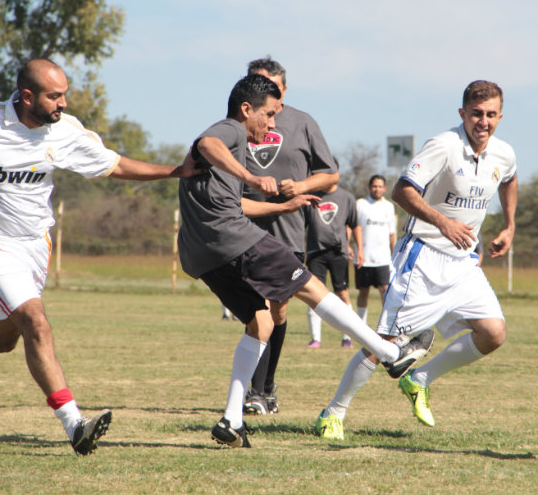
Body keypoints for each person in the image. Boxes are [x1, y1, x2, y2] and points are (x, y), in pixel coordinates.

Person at [0, 58, 202, 456]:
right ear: (27, 96)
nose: (62, 103)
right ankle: (74, 423)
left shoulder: (66, 131)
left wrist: (175, 171)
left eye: (64, 95)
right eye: (54, 96)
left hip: (35, 245)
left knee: (5, 339)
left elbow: (114, 164)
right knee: (36, 323)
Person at [177, 73, 435, 448]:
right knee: (311, 286)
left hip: (200, 254)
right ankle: (390, 352)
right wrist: (250, 174)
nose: (272, 123)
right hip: (232, 238)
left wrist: (283, 205)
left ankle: (232, 420)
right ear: (246, 109)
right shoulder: (231, 131)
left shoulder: (234, 148)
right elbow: (206, 143)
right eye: (267, 115)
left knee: (261, 322)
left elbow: (231, 202)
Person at [316, 80, 517, 440]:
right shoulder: (444, 145)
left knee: (494, 333)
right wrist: (443, 222)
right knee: (383, 345)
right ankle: (333, 413)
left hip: (464, 262)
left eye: (490, 115)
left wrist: (510, 225)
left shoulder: (504, 154)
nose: (483, 122)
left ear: (500, 116)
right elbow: (401, 191)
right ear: (462, 114)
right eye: (476, 114)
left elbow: (509, 180)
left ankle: (420, 378)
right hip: (422, 257)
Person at [241, 57, 339, 416]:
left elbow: (330, 176)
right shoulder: (238, 123)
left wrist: (300, 185)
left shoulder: (303, 123)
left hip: (287, 233)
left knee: (277, 312)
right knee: (257, 311)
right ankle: (255, 389)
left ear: (285, 90)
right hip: (243, 230)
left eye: (274, 87)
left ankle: (265, 387)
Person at [304, 174, 362, 348]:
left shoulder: (347, 198)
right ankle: (315, 338)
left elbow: (355, 224)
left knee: (342, 293)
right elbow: (301, 225)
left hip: (338, 252)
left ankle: (347, 337)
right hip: (315, 252)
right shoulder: (311, 196)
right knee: (313, 293)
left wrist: (360, 249)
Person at [353, 175, 396, 323]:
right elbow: (353, 227)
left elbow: (392, 234)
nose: (377, 189)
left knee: (385, 291)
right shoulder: (360, 204)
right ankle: (361, 325)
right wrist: (355, 249)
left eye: (380, 186)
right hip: (363, 258)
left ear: (384, 188)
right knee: (363, 292)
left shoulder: (389, 206)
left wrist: (395, 255)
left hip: (383, 258)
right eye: (374, 186)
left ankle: (386, 324)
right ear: (369, 187)